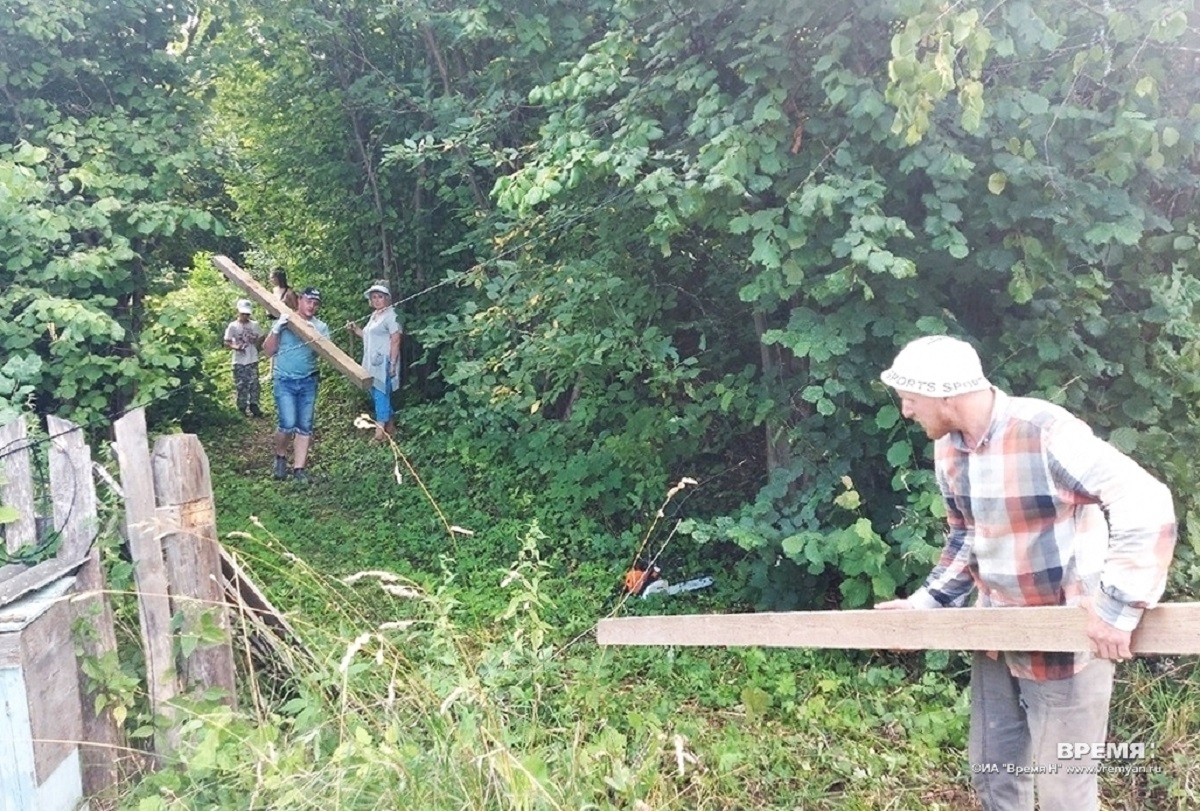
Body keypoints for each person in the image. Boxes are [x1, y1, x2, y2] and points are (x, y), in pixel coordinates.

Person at [875, 335, 1176, 811]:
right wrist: (923, 609)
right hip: (995, 637)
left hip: (1066, 647)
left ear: (945, 395)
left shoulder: (1043, 432)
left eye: (911, 399)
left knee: (1064, 794)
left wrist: (1118, 608)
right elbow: (965, 537)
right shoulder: (950, 450)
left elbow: (1146, 500)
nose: (907, 411)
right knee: (994, 776)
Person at [263, 287, 330, 484]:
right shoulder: (285, 321)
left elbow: (327, 354)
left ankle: (299, 469)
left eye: (316, 303)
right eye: (308, 301)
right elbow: (268, 351)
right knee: (287, 423)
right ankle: (281, 456)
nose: (312, 306)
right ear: (300, 300)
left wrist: (315, 337)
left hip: (308, 380)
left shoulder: (321, 326)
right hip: (284, 380)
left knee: (305, 426)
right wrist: (277, 329)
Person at [346, 280, 402, 441]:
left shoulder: (392, 315)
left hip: (385, 362)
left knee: (380, 394)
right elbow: (368, 337)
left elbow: (395, 339)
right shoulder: (374, 315)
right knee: (376, 393)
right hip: (371, 362)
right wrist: (356, 329)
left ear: (387, 298)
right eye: (374, 297)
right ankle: (390, 426)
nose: (377, 300)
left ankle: (380, 433)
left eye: (380, 296)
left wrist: (392, 363)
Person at [222, 299, 264, 417]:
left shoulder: (254, 325)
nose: (245, 316)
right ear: (238, 312)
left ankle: (254, 405)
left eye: (247, 314)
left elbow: (261, 337)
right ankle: (241, 407)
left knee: (254, 383)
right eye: (243, 314)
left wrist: (257, 346)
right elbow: (227, 341)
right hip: (239, 360)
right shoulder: (233, 326)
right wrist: (236, 346)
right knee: (241, 384)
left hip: (252, 358)